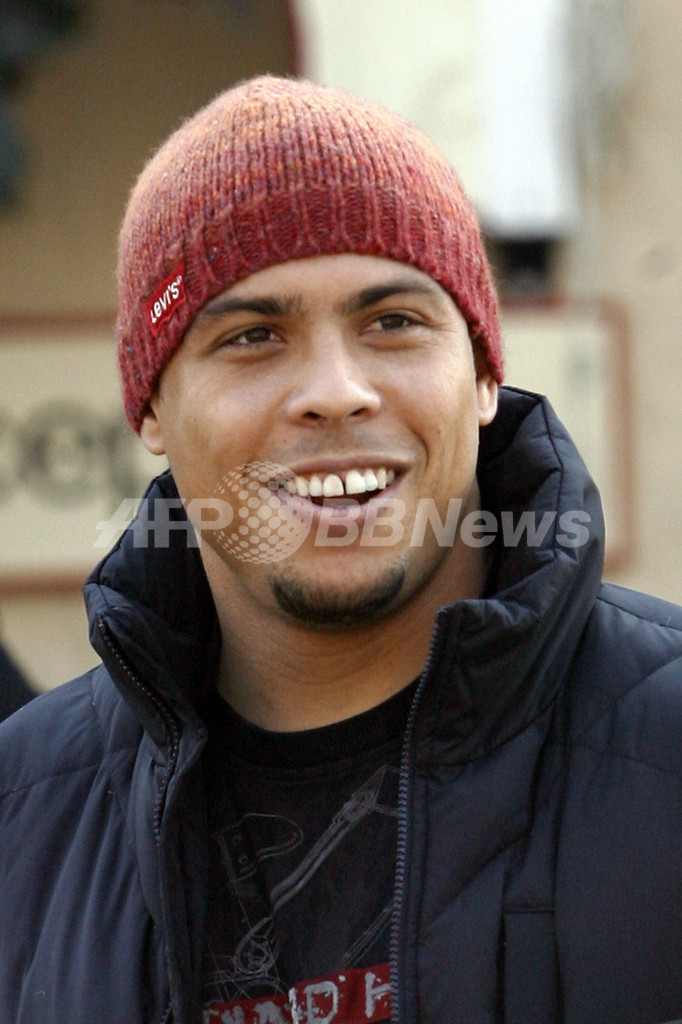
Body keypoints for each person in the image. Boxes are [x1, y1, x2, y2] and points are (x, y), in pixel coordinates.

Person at [0, 75, 681, 1024]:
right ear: (150, 407)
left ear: (485, 375)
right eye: (252, 336)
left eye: (393, 322)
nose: (334, 391)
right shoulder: (23, 813)